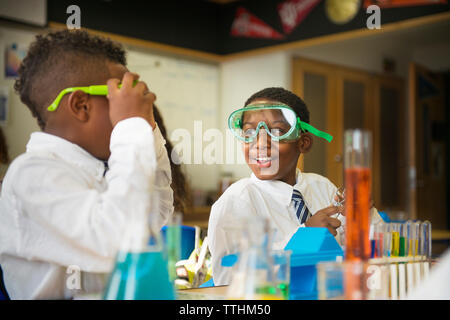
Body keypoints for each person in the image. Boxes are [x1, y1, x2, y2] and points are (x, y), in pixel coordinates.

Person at [0, 30, 173, 299]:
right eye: (118, 97)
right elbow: (120, 243)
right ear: (81, 105)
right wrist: (129, 126)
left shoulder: (93, 170)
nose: (131, 108)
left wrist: (147, 129)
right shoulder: (31, 173)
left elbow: (154, 213)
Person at [208, 87, 381, 285]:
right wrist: (305, 238)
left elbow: (374, 254)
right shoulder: (237, 201)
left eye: (276, 131)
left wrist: (363, 217)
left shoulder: (321, 187)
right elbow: (229, 280)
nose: (260, 143)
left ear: (303, 143)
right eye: (249, 132)